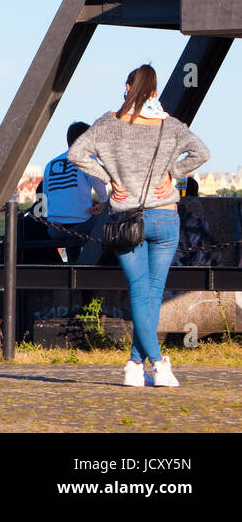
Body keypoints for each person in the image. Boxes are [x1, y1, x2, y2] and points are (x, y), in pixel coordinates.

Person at [68, 65, 209, 388]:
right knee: (152, 294)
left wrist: (108, 178)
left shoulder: (109, 123)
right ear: (155, 92)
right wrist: (173, 173)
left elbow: (77, 152)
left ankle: (135, 364)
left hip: (124, 219)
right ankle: (157, 363)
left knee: (139, 292)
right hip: (164, 216)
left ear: (128, 88)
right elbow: (202, 152)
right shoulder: (170, 125)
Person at [40, 122, 108, 265]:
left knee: (72, 225)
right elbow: (103, 193)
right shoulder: (87, 159)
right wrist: (103, 203)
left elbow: (45, 198)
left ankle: (74, 265)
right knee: (108, 219)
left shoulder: (50, 164)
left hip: (54, 229)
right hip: (81, 226)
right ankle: (96, 268)